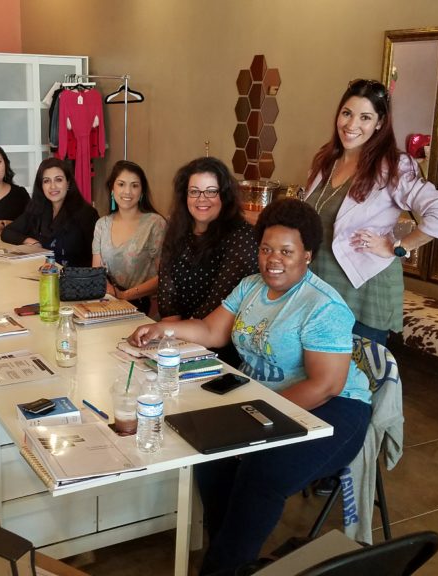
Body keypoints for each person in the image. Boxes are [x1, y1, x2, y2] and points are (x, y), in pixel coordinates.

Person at [128, 199, 371, 575]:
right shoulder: (251, 287)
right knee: (208, 454)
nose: (273, 259)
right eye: (266, 249)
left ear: (307, 255)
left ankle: (221, 567)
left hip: (336, 409)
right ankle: (230, 550)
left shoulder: (322, 306)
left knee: (264, 474)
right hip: (261, 397)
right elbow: (211, 330)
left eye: (286, 252)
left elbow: (325, 384)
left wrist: (254, 416)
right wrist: (163, 328)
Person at [301, 78, 438, 344]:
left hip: (363, 284)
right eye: (347, 113)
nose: (351, 125)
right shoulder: (327, 159)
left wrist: (399, 246)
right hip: (321, 278)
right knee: (318, 366)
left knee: (360, 375)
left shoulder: (393, 166)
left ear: (380, 123)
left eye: (365, 117)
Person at [159, 156, 257, 364]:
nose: (201, 199)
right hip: (178, 339)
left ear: (225, 195)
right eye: (194, 191)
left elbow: (214, 313)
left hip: (224, 350)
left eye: (211, 191)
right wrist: (169, 346)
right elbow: (168, 301)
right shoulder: (176, 230)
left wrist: (167, 334)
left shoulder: (242, 237)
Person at [91, 160, 166, 315]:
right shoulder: (102, 225)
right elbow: (96, 272)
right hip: (109, 306)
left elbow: (165, 276)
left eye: (134, 185)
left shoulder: (155, 223)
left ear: (142, 191)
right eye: (121, 184)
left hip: (146, 309)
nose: (127, 191)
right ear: (112, 188)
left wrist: (124, 296)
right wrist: (112, 294)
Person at [2, 157, 99, 267]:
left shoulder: (87, 214)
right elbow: (7, 232)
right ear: (41, 186)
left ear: (68, 183)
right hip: (43, 274)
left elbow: (96, 258)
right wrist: (31, 242)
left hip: (74, 279)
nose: (53, 186)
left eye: (58, 180)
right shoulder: (38, 209)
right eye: (46, 181)